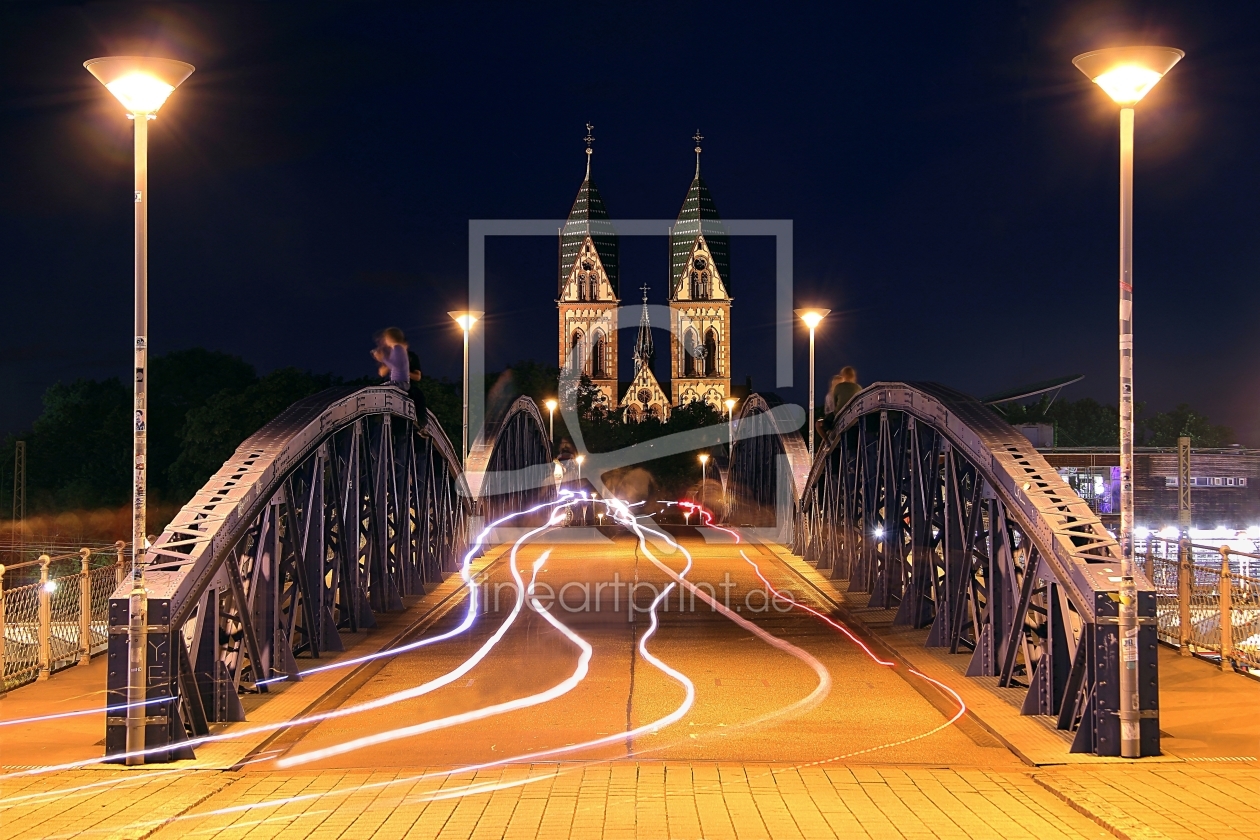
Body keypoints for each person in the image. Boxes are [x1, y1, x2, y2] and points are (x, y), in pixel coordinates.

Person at [820, 366, 862, 436]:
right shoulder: (858, 387)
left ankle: (828, 439)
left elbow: (835, 402)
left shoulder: (838, 387)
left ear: (843, 375)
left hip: (839, 414)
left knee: (822, 423)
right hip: (854, 415)